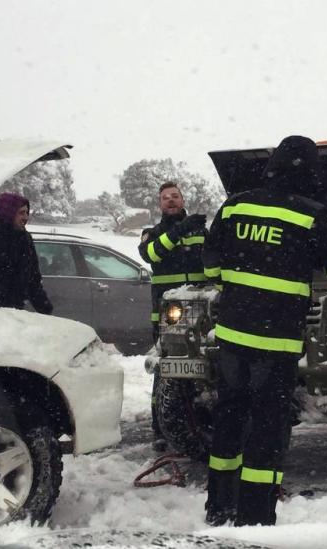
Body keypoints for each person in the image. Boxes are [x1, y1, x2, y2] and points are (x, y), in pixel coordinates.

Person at [202, 135, 327, 526]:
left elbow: (210, 266)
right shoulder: (311, 215)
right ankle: (254, 518)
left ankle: (219, 507)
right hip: (276, 342)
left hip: (232, 338)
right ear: (309, 170)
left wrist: (240, 293)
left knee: (229, 418)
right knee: (268, 429)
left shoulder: (235, 205)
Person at [137, 182, 208, 447]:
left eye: (175, 196)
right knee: (165, 371)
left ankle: (199, 418)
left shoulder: (201, 230)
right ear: (160, 204)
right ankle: (160, 426)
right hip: (168, 317)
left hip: (203, 313)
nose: (170, 201)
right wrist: (181, 230)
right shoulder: (152, 233)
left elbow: (215, 261)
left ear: (183, 199)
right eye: (165, 198)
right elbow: (151, 254)